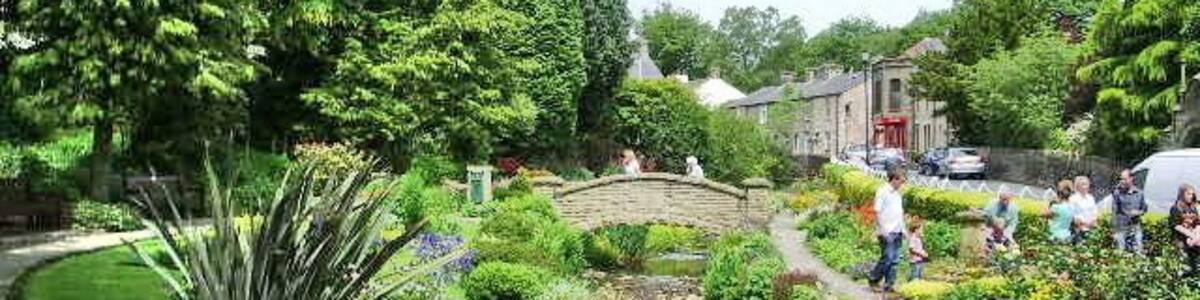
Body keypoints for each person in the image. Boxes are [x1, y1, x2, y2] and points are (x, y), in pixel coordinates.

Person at [868, 168, 907, 293]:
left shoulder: (897, 194)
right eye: (901, 180)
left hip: (897, 230)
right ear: (894, 179)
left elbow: (899, 213)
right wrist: (883, 229)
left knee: (895, 260)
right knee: (887, 258)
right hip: (887, 231)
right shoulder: (883, 191)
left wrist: (904, 230)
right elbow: (877, 211)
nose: (903, 183)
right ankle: (873, 279)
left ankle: (889, 285)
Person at [1112, 169, 1148, 254]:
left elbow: (1144, 209)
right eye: (1121, 179)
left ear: (1131, 178)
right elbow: (1114, 212)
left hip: (1135, 226)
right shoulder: (1117, 193)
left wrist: (1138, 212)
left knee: (1138, 250)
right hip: (1121, 227)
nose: (1122, 181)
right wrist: (1114, 230)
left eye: (1125, 179)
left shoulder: (1139, 193)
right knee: (1120, 251)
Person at [1069, 176, 1099, 244]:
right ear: (1078, 186)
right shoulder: (1073, 199)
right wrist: (1084, 223)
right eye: (1083, 184)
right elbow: (1073, 215)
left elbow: (1095, 212)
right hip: (1079, 231)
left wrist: (1093, 221)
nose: (1086, 186)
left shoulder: (1091, 198)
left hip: (1091, 230)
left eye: (1087, 184)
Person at [1171, 184, 1199, 249]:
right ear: (1182, 195)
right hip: (1181, 238)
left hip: (1194, 237)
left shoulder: (1193, 208)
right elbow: (1177, 226)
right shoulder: (1175, 208)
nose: (1191, 196)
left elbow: (1197, 223)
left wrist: (1196, 236)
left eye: (1192, 194)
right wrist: (1192, 236)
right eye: (1188, 194)